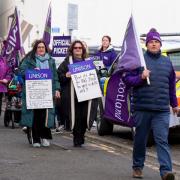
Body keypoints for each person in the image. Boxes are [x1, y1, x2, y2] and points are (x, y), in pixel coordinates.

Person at [123, 28, 178, 180]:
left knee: (162, 140)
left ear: (160, 44)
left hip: (161, 110)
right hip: (142, 109)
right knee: (140, 139)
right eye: (151, 42)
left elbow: (171, 86)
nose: (154, 44)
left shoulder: (167, 62)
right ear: (147, 44)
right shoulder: (138, 60)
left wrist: (174, 104)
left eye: (156, 42)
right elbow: (127, 80)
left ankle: (166, 172)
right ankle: (137, 167)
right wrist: (141, 77)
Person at [19, 39, 60, 148]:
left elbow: (55, 77)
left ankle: (45, 137)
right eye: (39, 47)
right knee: (35, 116)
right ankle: (35, 139)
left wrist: (57, 89)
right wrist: (32, 71)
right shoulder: (29, 59)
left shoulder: (51, 61)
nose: (41, 49)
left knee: (45, 116)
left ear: (46, 48)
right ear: (35, 49)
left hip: (47, 93)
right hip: (33, 92)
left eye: (43, 47)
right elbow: (21, 71)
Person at [57, 40, 98, 147]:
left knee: (85, 116)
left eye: (80, 48)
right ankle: (76, 138)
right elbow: (59, 76)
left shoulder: (88, 62)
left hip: (86, 94)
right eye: (76, 48)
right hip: (72, 95)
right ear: (72, 49)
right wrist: (66, 75)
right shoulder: (67, 62)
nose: (78, 49)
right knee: (75, 117)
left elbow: (96, 76)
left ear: (83, 50)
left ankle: (82, 135)